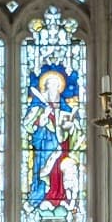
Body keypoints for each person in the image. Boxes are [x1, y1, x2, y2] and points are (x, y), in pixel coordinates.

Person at [26, 65, 78, 214]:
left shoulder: (64, 107)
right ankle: (43, 197)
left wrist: (69, 124)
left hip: (61, 144)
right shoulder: (38, 106)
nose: (53, 90)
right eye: (50, 87)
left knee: (59, 172)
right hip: (44, 145)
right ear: (45, 88)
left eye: (56, 87)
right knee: (43, 171)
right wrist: (41, 121)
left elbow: (72, 125)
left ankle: (60, 197)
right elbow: (28, 126)